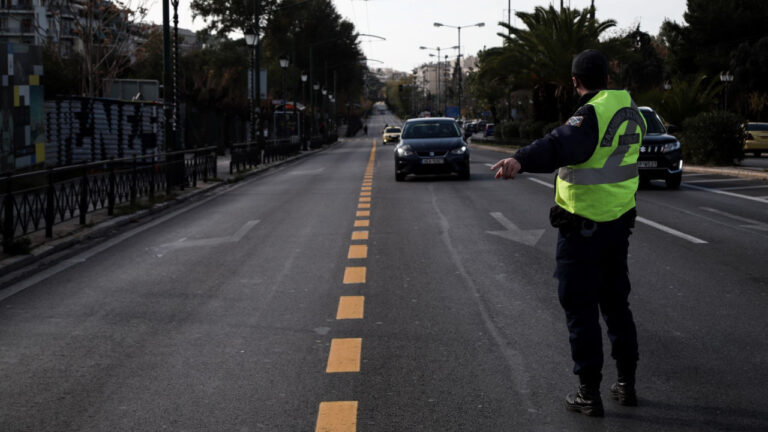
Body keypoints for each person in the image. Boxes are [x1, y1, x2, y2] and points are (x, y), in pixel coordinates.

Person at [491, 49, 644, 417]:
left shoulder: (591, 112)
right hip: (618, 221)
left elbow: (561, 144)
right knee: (616, 305)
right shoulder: (630, 108)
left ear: (576, 81)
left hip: (583, 228)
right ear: (607, 77)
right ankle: (626, 384)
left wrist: (521, 158)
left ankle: (588, 392)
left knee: (580, 308)